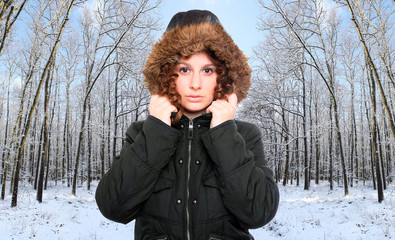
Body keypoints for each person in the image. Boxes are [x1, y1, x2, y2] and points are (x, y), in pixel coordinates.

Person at [95, 9, 279, 240]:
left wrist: (223, 132)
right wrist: (156, 131)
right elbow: (114, 208)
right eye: (184, 69)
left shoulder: (245, 134)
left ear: (223, 75)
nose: (195, 84)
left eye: (207, 70)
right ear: (166, 74)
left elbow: (259, 213)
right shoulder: (141, 133)